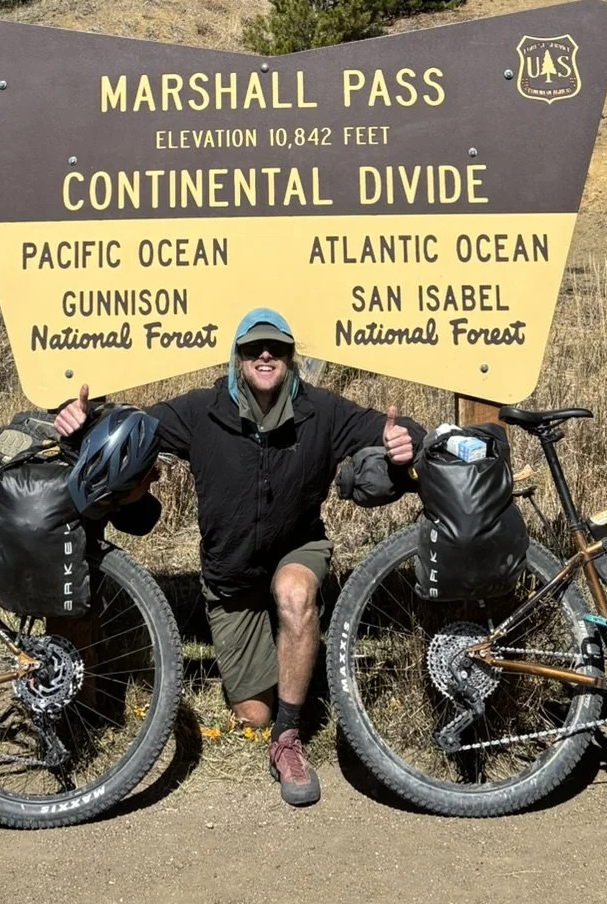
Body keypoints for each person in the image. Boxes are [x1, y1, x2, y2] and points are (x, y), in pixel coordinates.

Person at [55, 307, 420, 808]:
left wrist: (407, 441)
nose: (264, 355)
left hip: (296, 548)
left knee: (295, 596)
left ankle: (288, 740)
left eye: (276, 348)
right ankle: (290, 676)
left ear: (291, 358)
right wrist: (81, 420)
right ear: (238, 357)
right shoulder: (201, 411)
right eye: (253, 348)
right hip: (230, 577)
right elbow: (131, 426)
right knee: (253, 714)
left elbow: (398, 431)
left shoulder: (323, 412)